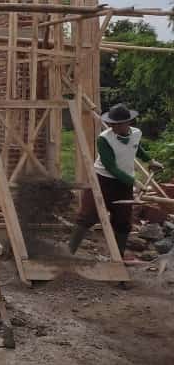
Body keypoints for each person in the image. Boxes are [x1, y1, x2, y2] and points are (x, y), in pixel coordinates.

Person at [69, 103, 164, 257]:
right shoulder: (104, 139)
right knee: (87, 215)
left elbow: (136, 147)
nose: (114, 127)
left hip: (123, 184)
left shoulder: (136, 133)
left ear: (128, 122)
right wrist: (135, 182)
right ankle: (69, 253)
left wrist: (150, 161)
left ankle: (118, 258)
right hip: (102, 181)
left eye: (118, 124)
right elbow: (111, 167)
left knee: (123, 221)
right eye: (112, 124)